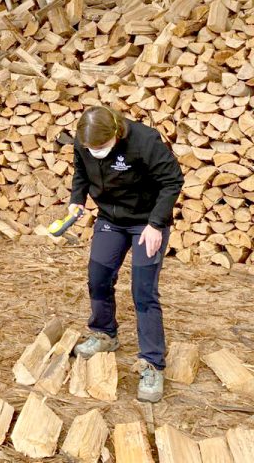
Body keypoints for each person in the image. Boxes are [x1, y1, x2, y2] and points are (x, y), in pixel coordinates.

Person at [69, 105, 183, 403]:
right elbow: (81, 172)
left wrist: (156, 224)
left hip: (147, 221)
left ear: (117, 134)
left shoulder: (145, 141)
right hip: (110, 219)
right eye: (91, 148)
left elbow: (172, 181)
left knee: (143, 291)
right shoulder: (84, 141)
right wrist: (76, 199)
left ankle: (152, 364)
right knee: (98, 277)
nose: (95, 152)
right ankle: (105, 334)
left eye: (101, 147)